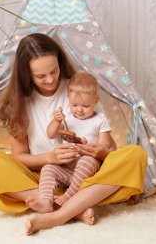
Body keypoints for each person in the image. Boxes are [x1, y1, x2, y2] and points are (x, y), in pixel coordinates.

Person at [0, 33, 148, 235]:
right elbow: (18, 156)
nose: (51, 79)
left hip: (84, 177)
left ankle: (57, 215)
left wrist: (100, 152)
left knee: (136, 155)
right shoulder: (18, 103)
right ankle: (71, 206)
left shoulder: (78, 88)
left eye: (54, 70)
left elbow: (110, 148)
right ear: (26, 74)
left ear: (60, 62)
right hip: (41, 179)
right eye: (40, 76)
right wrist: (49, 158)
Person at [36, 72, 112, 210]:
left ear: (96, 101)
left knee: (86, 161)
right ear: (68, 99)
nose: (79, 110)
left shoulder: (100, 120)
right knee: (47, 168)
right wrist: (56, 121)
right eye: (74, 104)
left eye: (86, 106)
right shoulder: (67, 117)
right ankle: (45, 201)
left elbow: (106, 145)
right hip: (67, 167)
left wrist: (88, 146)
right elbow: (51, 134)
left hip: (87, 170)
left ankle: (69, 196)